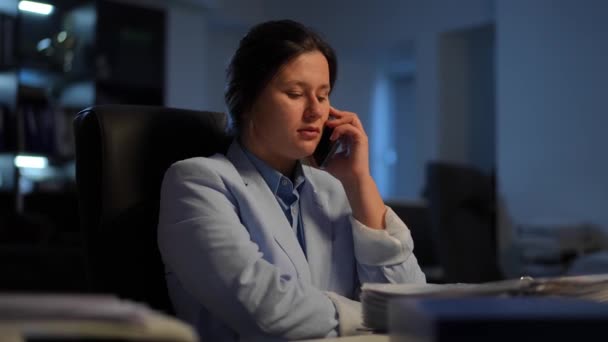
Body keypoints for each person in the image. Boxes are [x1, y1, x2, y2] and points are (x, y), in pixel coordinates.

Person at [157, 19, 426, 341]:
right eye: (295, 93)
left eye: (324, 96)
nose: (315, 111)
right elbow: (269, 313)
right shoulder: (197, 182)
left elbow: (411, 301)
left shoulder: (332, 188)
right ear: (246, 102)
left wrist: (359, 182)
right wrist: (381, 316)